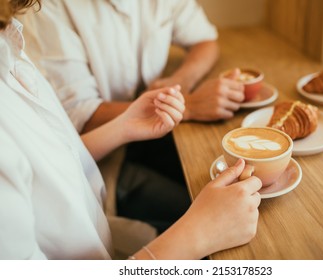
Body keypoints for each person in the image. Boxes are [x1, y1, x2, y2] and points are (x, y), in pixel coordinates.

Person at [0, 0, 262, 260]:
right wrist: (197, 233)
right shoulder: (46, 12)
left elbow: (53, 156)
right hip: (107, 172)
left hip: (107, 177)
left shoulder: (9, 47)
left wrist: (125, 124)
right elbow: (78, 117)